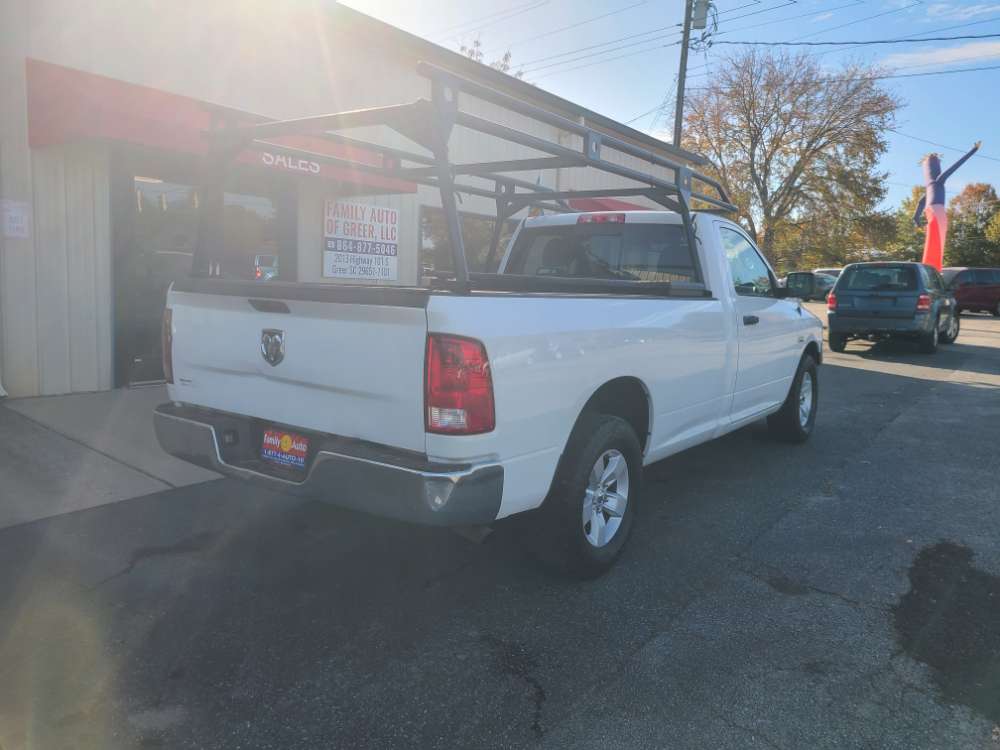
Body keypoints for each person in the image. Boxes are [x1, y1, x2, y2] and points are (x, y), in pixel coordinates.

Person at [913, 141, 982, 270]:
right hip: (938, 213)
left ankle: (929, 269)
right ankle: (933, 270)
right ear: (936, 169)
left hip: (931, 213)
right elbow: (955, 166)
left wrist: (917, 222)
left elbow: (919, 206)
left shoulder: (929, 188)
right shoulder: (938, 181)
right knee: (937, 242)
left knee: (932, 241)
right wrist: (973, 150)